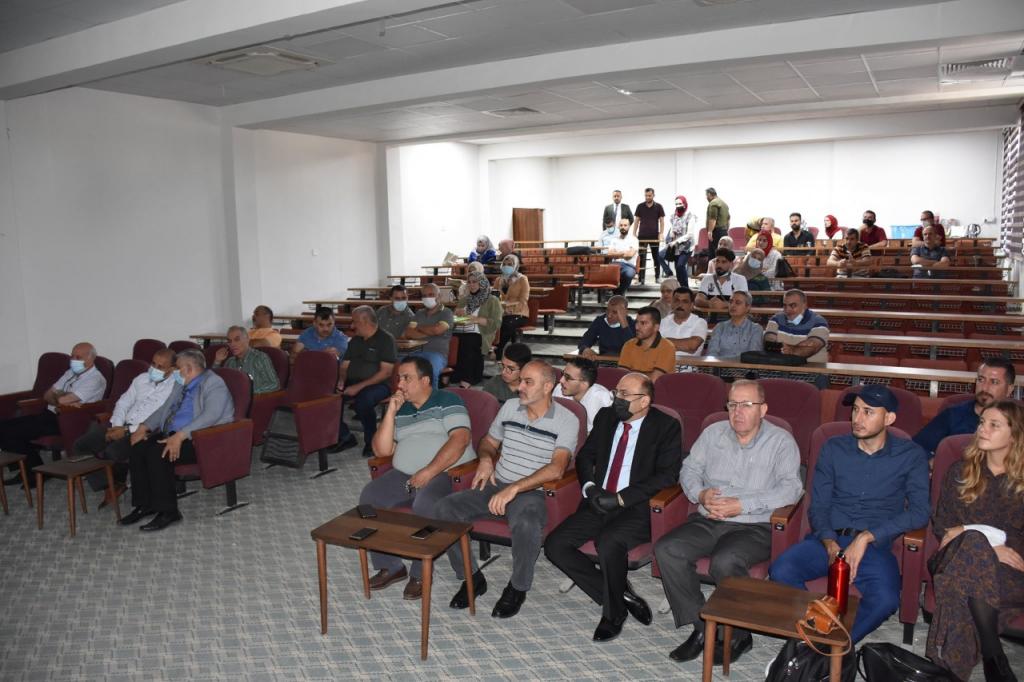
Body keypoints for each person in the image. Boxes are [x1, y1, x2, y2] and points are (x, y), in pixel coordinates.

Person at [770, 385, 930, 642]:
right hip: (828, 539)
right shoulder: (833, 448)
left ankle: (836, 645)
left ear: (889, 418)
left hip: (874, 547)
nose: (857, 418)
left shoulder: (910, 455)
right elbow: (819, 506)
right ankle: (815, 631)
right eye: (855, 410)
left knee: (886, 599)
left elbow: (921, 512)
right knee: (781, 570)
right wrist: (829, 543)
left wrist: (867, 537)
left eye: (868, 412)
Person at [656, 380, 802, 663]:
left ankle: (739, 635)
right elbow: (689, 469)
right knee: (667, 549)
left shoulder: (781, 441)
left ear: (763, 409)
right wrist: (700, 494)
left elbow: (791, 489)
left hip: (754, 525)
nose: (738, 412)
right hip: (709, 519)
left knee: (725, 561)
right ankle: (702, 627)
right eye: (732, 404)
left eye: (746, 405)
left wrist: (742, 505)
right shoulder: (713, 433)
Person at [435, 361, 579, 619]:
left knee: (526, 523)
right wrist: (486, 459)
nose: (519, 387)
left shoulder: (567, 419)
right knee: (444, 509)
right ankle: (472, 578)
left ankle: (518, 587)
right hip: (496, 484)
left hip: (531, 492)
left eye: (528, 382)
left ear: (548, 386)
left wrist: (514, 488)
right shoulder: (511, 407)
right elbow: (489, 442)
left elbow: (557, 469)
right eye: (520, 380)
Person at [545, 372, 682, 642]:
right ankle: (621, 594)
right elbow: (586, 456)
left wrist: (621, 498)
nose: (616, 399)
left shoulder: (666, 427)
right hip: (598, 499)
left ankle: (613, 613)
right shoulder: (607, 417)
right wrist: (590, 488)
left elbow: (666, 476)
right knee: (554, 545)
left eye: (624, 395)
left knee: (608, 542)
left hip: (636, 506)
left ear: (644, 401)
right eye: (616, 393)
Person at [358, 356, 476, 600]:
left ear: (425, 380)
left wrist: (429, 471)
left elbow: (460, 440)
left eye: (406, 378)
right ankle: (390, 566)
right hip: (405, 474)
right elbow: (382, 451)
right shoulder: (401, 409)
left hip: (445, 473)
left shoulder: (447, 400)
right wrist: (391, 412)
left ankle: (420, 573)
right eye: (398, 378)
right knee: (370, 498)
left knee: (425, 503)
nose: (400, 384)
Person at [926, 399, 1024, 682]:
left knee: (962, 589)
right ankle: (994, 653)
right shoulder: (960, 471)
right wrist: (989, 546)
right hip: (953, 558)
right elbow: (944, 528)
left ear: (1014, 435)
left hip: (1008, 570)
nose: (983, 429)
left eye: (994, 425)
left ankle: (951, 673)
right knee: (972, 542)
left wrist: (969, 532)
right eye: (982, 423)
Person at [120, 349, 235, 532]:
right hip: (173, 434)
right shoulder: (181, 383)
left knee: (158, 454)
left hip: (202, 439)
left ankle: (169, 511)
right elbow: (163, 409)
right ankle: (145, 505)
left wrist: (181, 436)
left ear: (188, 369)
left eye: (178, 368)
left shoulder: (214, 383)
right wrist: (144, 427)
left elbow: (211, 415)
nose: (174, 372)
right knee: (138, 447)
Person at [72, 349, 176, 495]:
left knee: (113, 451)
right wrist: (117, 426)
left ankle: (116, 482)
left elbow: (161, 419)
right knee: (81, 445)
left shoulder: (175, 387)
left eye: (160, 367)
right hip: (121, 424)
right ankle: (109, 484)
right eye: (153, 364)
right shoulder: (141, 378)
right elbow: (123, 402)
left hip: (145, 431)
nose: (154, 369)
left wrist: (126, 431)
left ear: (171, 369)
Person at [1, 342, 107, 482]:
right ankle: (29, 469)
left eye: (78, 357)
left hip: (68, 419)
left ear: (90, 358)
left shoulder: (95, 379)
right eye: (72, 356)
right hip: (48, 414)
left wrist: (60, 397)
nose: (73, 360)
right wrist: (62, 398)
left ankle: (33, 472)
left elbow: (61, 400)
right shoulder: (70, 373)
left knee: (11, 431)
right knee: (4, 427)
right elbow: (47, 395)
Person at [914, 359, 1016, 458]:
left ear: (1009, 389)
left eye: (994, 382)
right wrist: (935, 462)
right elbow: (917, 448)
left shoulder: (1018, 420)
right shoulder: (953, 415)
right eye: (981, 380)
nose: (985, 388)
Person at [334, 306, 397, 456]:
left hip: (379, 385)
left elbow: (386, 372)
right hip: (352, 382)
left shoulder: (386, 340)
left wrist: (357, 387)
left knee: (364, 400)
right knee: (328, 397)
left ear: (365, 321)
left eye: (355, 322)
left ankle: (371, 440)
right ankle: (345, 436)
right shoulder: (355, 340)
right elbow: (344, 366)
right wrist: (341, 380)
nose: (352, 326)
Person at [450, 272, 502, 388]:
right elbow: (454, 319)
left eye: (475, 282)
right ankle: (453, 374)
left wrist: (477, 319)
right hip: (460, 330)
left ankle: (467, 378)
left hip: (481, 333)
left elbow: (496, 323)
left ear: (482, 283)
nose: (471, 285)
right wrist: (456, 314)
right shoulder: (464, 300)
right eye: (469, 282)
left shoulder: (492, 300)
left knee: (469, 340)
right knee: (451, 340)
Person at [404, 282, 454, 387]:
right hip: (416, 352)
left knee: (429, 371)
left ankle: (432, 396)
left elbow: (437, 330)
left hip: (437, 354)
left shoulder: (447, 313)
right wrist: (429, 333)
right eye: (424, 295)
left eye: (431, 295)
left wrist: (418, 328)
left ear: (439, 296)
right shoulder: (419, 313)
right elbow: (408, 332)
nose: (427, 298)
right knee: (403, 370)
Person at [763, 289, 829, 363]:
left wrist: (791, 350)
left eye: (793, 305)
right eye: (785, 305)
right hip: (781, 366)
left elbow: (812, 348)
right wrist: (798, 348)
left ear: (804, 305)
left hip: (813, 368)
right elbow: (769, 343)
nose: (787, 310)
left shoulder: (818, 322)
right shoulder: (776, 319)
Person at [212, 326, 280, 394]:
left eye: (237, 340)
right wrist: (217, 361)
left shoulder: (259, 358)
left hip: (255, 399)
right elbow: (215, 384)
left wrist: (247, 392)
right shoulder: (230, 362)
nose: (232, 344)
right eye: (229, 341)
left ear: (247, 339)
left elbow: (274, 384)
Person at [553, 356, 613, 433]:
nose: (561, 380)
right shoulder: (560, 388)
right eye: (563, 374)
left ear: (584, 384)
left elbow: (606, 433)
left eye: (568, 377)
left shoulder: (602, 398)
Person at [617, 307, 676, 382]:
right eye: (636, 322)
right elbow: (621, 376)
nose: (637, 327)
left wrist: (631, 373)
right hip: (630, 387)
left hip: (656, 389)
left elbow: (654, 379)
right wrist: (647, 374)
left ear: (656, 327)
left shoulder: (667, 347)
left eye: (643, 323)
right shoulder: (628, 345)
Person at [706, 291, 765, 357]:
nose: (732, 305)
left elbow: (753, 356)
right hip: (721, 363)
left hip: (745, 364)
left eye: (738, 303)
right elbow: (712, 353)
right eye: (731, 302)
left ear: (748, 307)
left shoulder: (756, 329)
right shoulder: (720, 327)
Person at [494, 254, 530, 359]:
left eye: (510, 264)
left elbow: (523, 300)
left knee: (506, 323)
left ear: (515, 266)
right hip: (501, 312)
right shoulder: (498, 280)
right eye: (504, 264)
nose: (506, 266)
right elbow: (494, 297)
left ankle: (498, 349)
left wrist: (509, 307)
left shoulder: (522, 279)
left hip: (519, 312)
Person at [695, 248, 749, 314]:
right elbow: (698, 299)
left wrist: (724, 305)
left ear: (731, 264)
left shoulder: (740, 279)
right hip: (710, 318)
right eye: (717, 261)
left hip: (733, 317)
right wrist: (708, 303)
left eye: (724, 262)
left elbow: (743, 302)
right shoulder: (707, 278)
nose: (719, 265)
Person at [659, 289, 708, 360]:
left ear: (691, 305)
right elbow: (652, 344)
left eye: (685, 301)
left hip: (688, 366)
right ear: (672, 303)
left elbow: (692, 346)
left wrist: (662, 342)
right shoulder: (663, 322)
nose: (680, 304)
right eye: (676, 301)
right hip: (663, 365)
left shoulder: (699, 322)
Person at [632, 187, 666, 284]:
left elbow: (662, 221)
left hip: (654, 236)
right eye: (646, 195)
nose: (647, 197)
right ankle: (641, 279)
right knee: (641, 258)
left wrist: (661, 233)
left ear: (653, 195)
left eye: (649, 195)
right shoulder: (640, 206)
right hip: (642, 236)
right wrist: (634, 233)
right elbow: (636, 220)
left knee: (656, 257)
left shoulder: (659, 206)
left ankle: (657, 277)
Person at [660, 195, 697, 278]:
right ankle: (680, 285)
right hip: (676, 248)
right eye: (676, 204)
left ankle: (685, 285)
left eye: (680, 203)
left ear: (684, 203)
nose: (678, 206)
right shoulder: (674, 216)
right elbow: (672, 229)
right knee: (677, 269)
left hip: (687, 247)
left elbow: (690, 234)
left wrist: (676, 241)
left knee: (680, 266)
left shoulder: (690, 216)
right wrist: (671, 233)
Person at [607, 217, 640, 295]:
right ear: (618, 226)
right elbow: (610, 254)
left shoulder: (634, 240)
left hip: (629, 265)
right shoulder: (614, 240)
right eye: (621, 225)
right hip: (615, 264)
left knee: (628, 274)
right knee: (605, 272)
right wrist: (623, 253)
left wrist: (616, 254)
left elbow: (629, 255)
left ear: (629, 226)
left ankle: (619, 293)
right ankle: (616, 293)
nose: (623, 227)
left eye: (625, 225)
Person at [705, 187, 730, 254]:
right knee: (722, 253)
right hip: (724, 231)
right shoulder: (724, 204)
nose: (706, 198)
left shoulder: (713, 203)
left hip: (716, 232)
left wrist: (710, 231)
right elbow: (728, 219)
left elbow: (713, 219)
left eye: (706, 195)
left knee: (713, 254)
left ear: (709, 194)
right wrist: (726, 230)